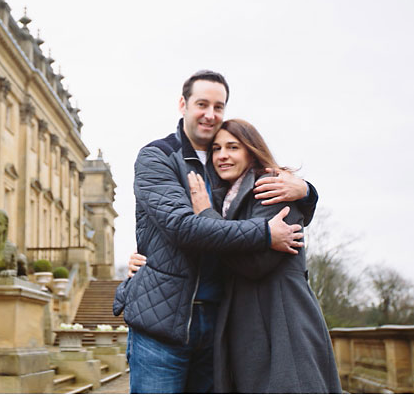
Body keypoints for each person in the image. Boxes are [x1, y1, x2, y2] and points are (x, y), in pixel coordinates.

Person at [113, 70, 318, 393]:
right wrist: (265, 233)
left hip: (221, 325)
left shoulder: (226, 167)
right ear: (183, 104)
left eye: (218, 107)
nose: (210, 115)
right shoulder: (157, 156)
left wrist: (307, 191)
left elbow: (264, 200)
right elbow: (181, 227)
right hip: (163, 322)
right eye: (202, 104)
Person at [188, 119, 340, 393]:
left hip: (281, 320)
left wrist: (206, 218)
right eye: (217, 149)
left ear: (251, 150)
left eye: (233, 147)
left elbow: (255, 263)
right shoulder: (227, 198)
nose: (222, 155)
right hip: (249, 322)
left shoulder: (274, 186)